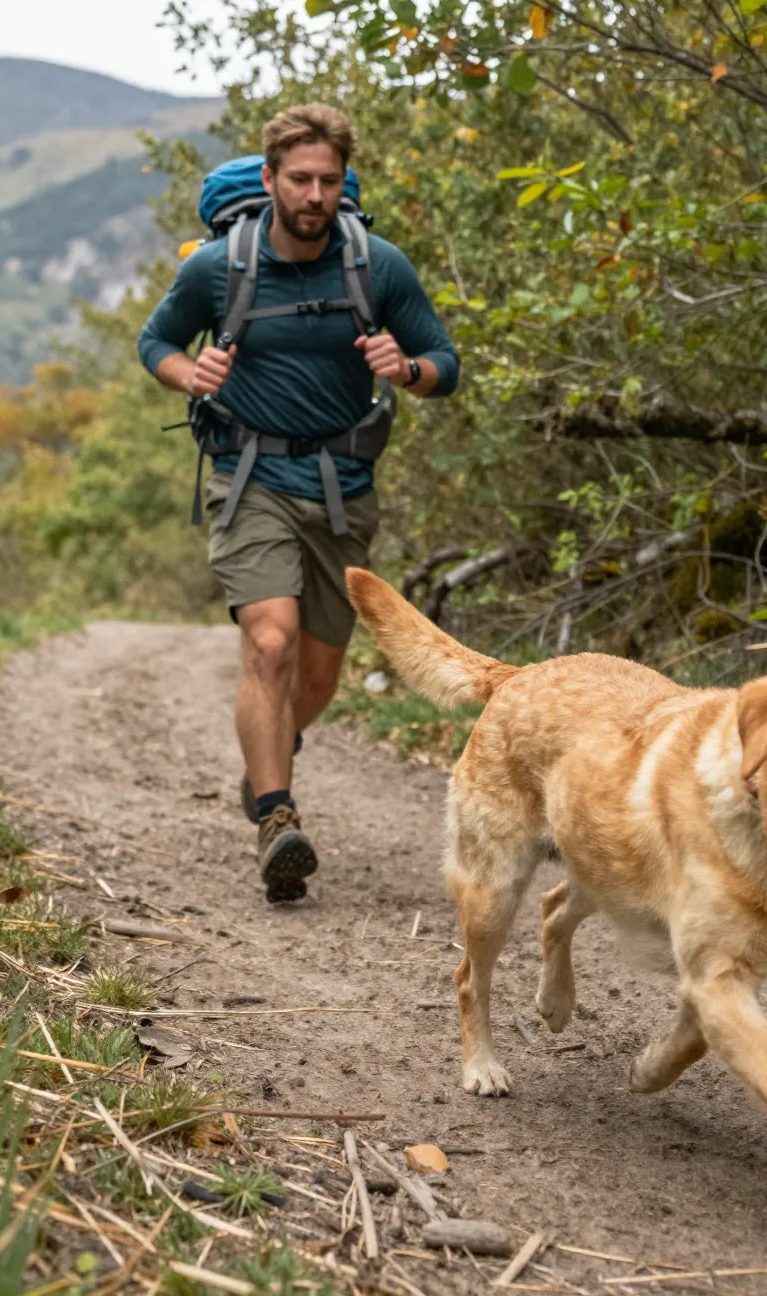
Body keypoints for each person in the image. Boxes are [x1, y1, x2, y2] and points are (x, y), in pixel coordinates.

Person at [137, 104, 459, 904]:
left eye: (329, 181)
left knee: (317, 673)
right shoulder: (220, 268)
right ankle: (277, 816)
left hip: (344, 491)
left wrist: (407, 369)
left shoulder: (378, 266)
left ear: (344, 182)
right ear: (272, 178)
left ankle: (270, 756)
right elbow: (155, 342)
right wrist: (188, 375)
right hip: (248, 477)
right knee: (271, 643)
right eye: (301, 179)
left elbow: (444, 363)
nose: (315, 195)